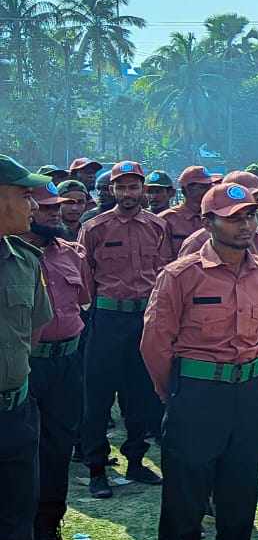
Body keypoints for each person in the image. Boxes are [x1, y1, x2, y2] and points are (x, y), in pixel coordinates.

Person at [140, 182, 258, 540]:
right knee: (182, 520)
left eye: (251, 216)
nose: (246, 224)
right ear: (208, 223)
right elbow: (155, 343)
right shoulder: (180, 275)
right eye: (235, 217)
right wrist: (176, 396)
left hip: (247, 397)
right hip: (196, 400)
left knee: (239, 516)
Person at [78, 160, 170, 498]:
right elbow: (84, 275)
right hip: (107, 319)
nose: (128, 194)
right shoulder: (95, 227)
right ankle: (97, 468)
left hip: (143, 319)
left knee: (140, 393)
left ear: (143, 189)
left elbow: (163, 274)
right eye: (122, 187)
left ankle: (135, 459)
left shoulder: (156, 226)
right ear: (111, 190)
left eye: (134, 187)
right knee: (98, 395)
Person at [0, 156, 54, 540]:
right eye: (23, 194)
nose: (33, 204)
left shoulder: (25, 260)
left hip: (13, 418)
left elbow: (33, 332)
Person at [25, 183, 91, 540]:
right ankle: (17, 532)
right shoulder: (10, 255)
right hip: (25, 363)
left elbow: (81, 302)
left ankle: (47, 532)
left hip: (66, 362)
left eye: (58, 207)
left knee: (57, 448)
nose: (56, 214)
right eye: (47, 208)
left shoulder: (70, 253)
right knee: (18, 449)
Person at [159, 166, 215, 258]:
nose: (208, 191)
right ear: (186, 189)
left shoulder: (216, 218)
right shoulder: (167, 219)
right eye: (202, 187)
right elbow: (162, 258)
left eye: (210, 186)